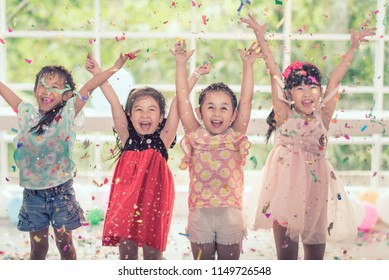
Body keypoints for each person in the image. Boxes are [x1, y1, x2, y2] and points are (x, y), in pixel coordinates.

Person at [241, 14, 376, 260]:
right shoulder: (284, 115)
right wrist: (261, 39)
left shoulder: (323, 116)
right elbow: (273, 73)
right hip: (285, 191)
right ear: (289, 94)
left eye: (313, 86)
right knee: (287, 258)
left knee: (315, 255)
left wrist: (353, 47)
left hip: (316, 190)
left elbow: (336, 78)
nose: (307, 92)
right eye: (299, 87)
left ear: (320, 91)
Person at [0, 53, 130, 260]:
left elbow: (88, 87)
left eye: (54, 86)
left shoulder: (67, 114)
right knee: (38, 249)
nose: (46, 90)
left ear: (67, 95)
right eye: (42, 85)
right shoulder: (26, 114)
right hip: (33, 195)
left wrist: (115, 67)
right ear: (35, 91)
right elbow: (3, 89)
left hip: (60, 193)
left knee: (66, 246)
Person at [85, 50, 208, 260]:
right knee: (127, 252)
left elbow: (180, 99)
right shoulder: (126, 137)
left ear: (161, 117)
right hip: (126, 200)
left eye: (152, 110)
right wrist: (98, 71)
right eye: (138, 110)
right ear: (129, 115)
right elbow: (114, 100)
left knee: (153, 253)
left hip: (155, 200)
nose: (144, 115)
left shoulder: (164, 139)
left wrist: (193, 73)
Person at [172, 39, 260, 260]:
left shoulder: (235, 136)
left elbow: (247, 102)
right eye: (210, 107)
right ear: (199, 113)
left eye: (224, 108)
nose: (217, 113)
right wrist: (181, 64)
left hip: (230, 214)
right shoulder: (195, 135)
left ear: (233, 114)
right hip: (200, 215)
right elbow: (182, 99)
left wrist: (248, 66)